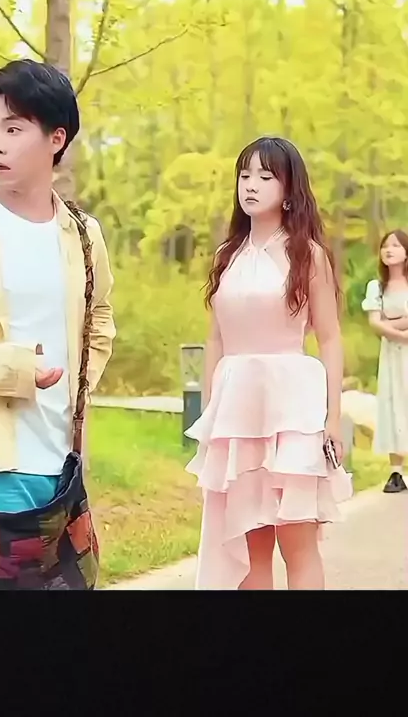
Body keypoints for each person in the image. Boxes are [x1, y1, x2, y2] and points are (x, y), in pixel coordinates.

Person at [0, 58, 116, 590]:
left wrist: (78, 386)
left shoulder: (82, 232)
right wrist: (9, 371)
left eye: (13, 130)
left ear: (56, 138)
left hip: (64, 457)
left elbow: (100, 315)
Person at [185, 136, 352, 590]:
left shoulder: (307, 254)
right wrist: (211, 415)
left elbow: (330, 337)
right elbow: (216, 338)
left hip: (292, 409)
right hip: (237, 413)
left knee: (298, 544)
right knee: (249, 548)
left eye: (265, 176)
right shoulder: (227, 255)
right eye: (244, 175)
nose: (251, 185)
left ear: (289, 188)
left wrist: (333, 418)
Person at [362, 229, 408, 493]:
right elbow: (374, 323)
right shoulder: (376, 287)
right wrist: (399, 333)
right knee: (392, 402)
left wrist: (389, 323)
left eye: (396, 245)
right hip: (391, 354)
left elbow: (382, 322)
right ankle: (396, 471)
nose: (389, 250)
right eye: (386, 246)